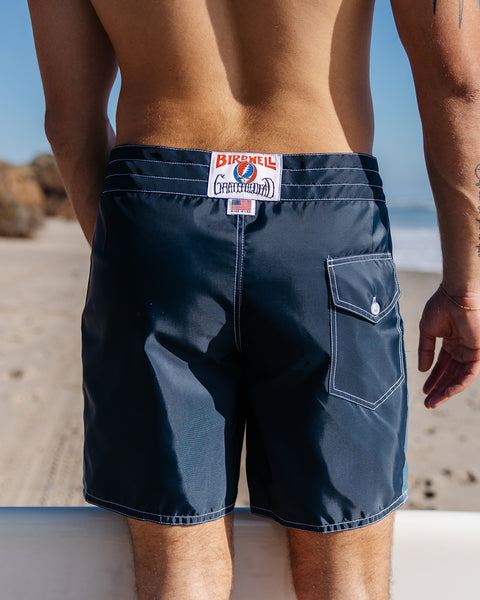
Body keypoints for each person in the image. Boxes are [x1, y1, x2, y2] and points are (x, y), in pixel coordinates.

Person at [27, 0, 480, 598]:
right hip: (325, 221)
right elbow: (457, 83)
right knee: (346, 572)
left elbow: (70, 117)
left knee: (178, 565)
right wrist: (465, 283)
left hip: (158, 215)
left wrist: (133, 262)